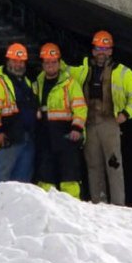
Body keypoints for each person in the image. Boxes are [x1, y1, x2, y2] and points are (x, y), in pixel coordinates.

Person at [73, 30, 132, 205]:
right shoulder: (83, 69)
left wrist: (126, 114)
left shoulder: (122, 72)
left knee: (114, 164)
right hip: (89, 123)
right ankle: (99, 203)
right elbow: (62, 73)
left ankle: (118, 205)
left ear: (111, 50)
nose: (101, 52)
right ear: (93, 50)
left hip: (109, 122)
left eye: (105, 48)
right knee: (93, 165)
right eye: (98, 48)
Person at [32, 42, 87, 198]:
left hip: (67, 136)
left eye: (53, 62)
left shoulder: (70, 84)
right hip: (46, 137)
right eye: (47, 62)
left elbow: (80, 108)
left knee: (69, 178)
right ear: (42, 64)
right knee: (45, 178)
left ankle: (73, 211)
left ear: (59, 63)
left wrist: (76, 129)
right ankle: (47, 211)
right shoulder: (37, 85)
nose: (50, 65)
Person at [0, 42, 38, 192]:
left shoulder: (26, 83)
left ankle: (18, 213)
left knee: (23, 182)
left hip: (26, 137)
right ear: (7, 61)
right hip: (8, 139)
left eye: (20, 61)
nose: (17, 65)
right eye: (14, 61)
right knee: (3, 180)